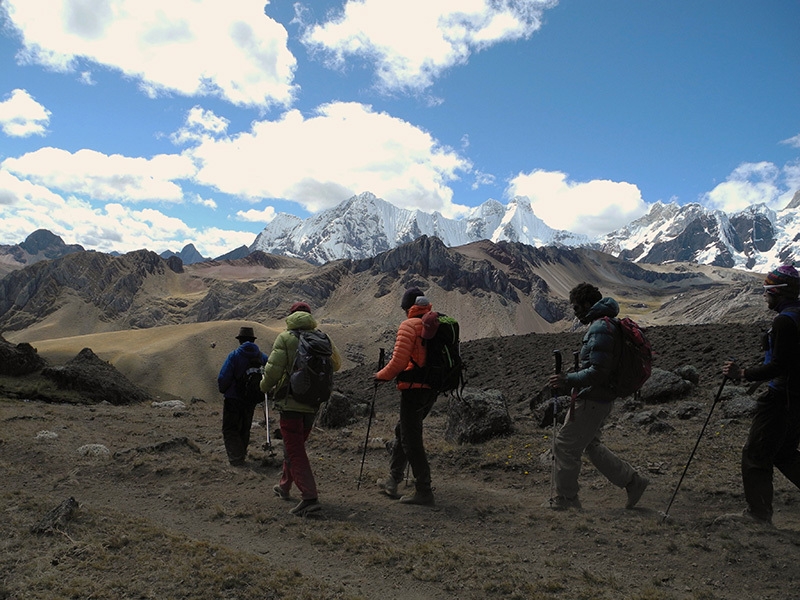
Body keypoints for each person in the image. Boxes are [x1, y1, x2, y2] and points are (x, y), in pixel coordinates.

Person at [547, 282, 650, 510]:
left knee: (564, 446)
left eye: (576, 308)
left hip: (592, 399)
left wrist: (568, 379)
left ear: (586, 304)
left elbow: (598, 371)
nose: (575, 313)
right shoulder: (605, 323)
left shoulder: (599, 328)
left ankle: (566, 500)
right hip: (601, 398)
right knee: (591, 444)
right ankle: (633, 482)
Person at [720, 265, 800, 525]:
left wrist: (742, 374)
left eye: (767, 291)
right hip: (796, 398)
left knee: (756, 454)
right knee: (785, 453)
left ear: (777, 292)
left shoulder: (784, 321)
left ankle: (758, 514)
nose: (764, 296)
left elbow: (779, 366)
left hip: (781, 398)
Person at [260, 301, 341, 516]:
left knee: (294, 450)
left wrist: (264, 387)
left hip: (291, 403)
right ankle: (285, 485)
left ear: (291, 317)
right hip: (313, 404)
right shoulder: (323, 338)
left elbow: (273, 370)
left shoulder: (285, 338)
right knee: (294, 446)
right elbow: (337, 364)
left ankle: (310, 498)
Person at [374, 287, 439, 507]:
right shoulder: (436, 322)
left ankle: (424, 490)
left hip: (414, 388)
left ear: (409, 307)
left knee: (411, 440)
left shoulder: (409, 326)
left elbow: (399, 362)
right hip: (433, 388)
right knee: (403, 430)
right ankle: (393, 480)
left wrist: (380, 376)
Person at [217, 326, 268, 467]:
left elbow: (223, 377)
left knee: (230, 428)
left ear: (240, 341)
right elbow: (270, 371)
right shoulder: (261, 356)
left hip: (233, 398)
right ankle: (241, 454)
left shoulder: (234, 355)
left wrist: (224, 390)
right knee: (245, 427)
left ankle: (236, 459)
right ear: (252, 340)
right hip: (251, 399)